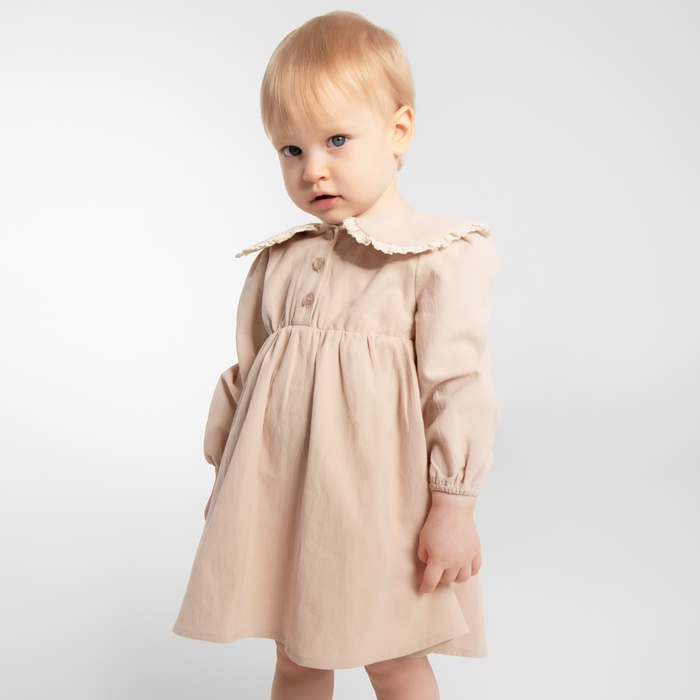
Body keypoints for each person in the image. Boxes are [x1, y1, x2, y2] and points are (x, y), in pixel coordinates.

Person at [173, 11, 498, 700]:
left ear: (399, 131)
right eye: (290, 150)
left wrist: (454, 505)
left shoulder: (437, 255)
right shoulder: (279, 262)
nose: (312, 168)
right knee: (295, 656)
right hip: (288, 498)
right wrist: (228, 482)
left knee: (393, 657)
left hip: (385, 507)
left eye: (337, 140)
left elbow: (457, 386)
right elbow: (247, 379)